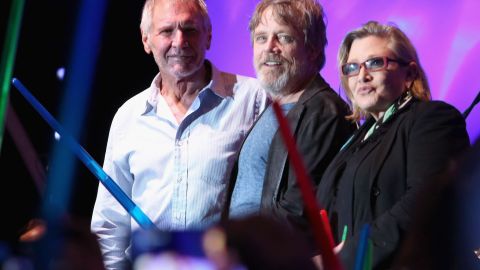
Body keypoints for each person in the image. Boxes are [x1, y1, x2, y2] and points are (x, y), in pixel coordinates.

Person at [90, 0, 269, 269]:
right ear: (146, 40)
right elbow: (109, 226)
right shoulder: (128, 117)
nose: (180, 41)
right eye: (166, 31)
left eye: (190, 29)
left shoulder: (252, 99)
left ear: (209, 36)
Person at [315, 21, 470, 269]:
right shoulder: (356, 138)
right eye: (352, 68)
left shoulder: (432, 119)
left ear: (409, 74)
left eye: (375, 63)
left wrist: (349, 255)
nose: (362, 76)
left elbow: (425, 205)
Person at [223, 0, 355, 246]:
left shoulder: (323, 111)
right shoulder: (272, 107)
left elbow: (299, 211)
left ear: (313, 48)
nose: (269, 48)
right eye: (261, 38)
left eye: (283, 37)